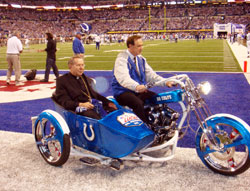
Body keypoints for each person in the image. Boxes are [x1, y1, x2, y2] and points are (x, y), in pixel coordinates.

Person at [112, 35, 173, 124]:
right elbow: (123, 79)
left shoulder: (141, 59)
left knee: (158, 99)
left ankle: (161, 125)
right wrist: (136, 87)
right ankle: (144, 128)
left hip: (138, 90)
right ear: (130, 46)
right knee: (137, 104)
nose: (141, 48)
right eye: (138, 46)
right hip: (122, 92)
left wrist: (165, 82)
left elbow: (151, 76)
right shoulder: (122, 59)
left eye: (142, 45)